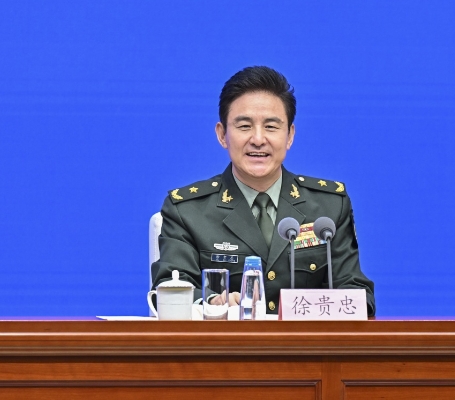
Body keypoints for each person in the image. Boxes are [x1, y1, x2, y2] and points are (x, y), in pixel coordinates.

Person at [151, 66, 375, 316]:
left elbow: (357, 294)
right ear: (222, 135)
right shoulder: (188, 211)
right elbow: (171, 289)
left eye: (271, 127)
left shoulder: (329, 207)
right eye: (244, 126)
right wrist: (213, 302)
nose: (258, 139)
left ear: (289, 136)